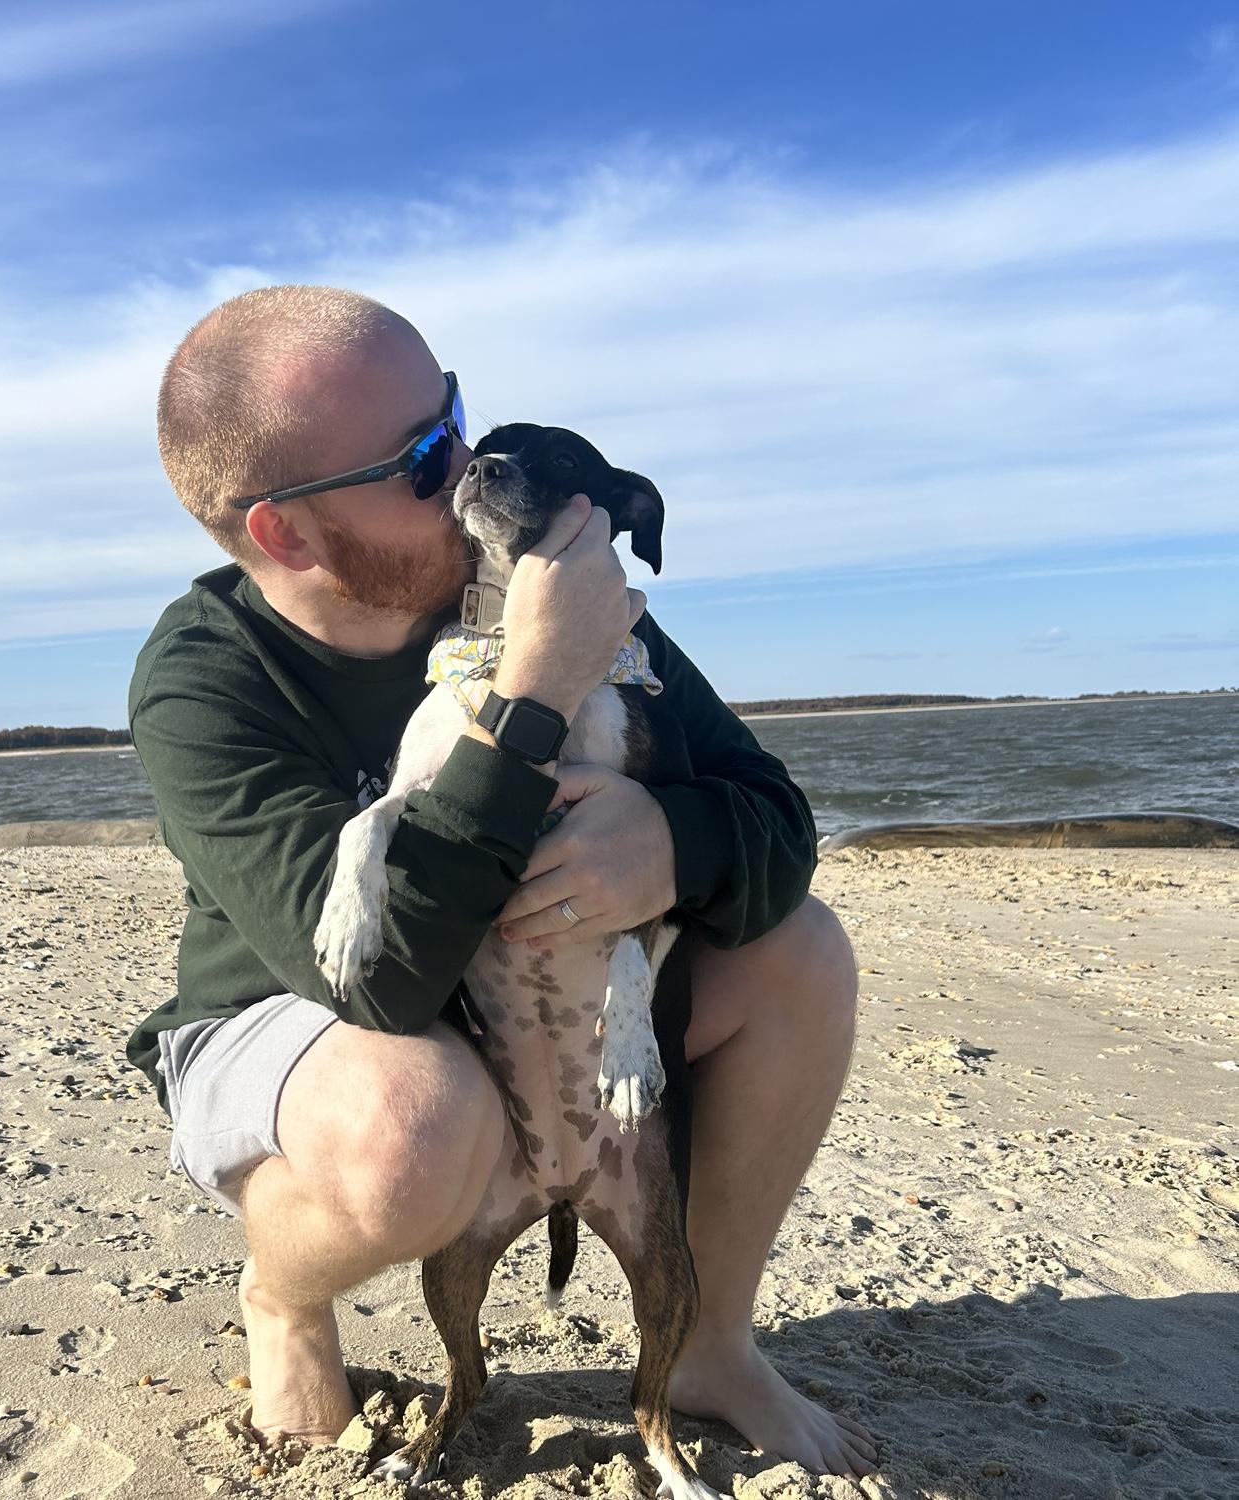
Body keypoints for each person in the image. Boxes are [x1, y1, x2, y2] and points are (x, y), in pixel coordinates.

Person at [124, 285, 878, 1478]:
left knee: (800, 949)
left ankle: (709, 1342)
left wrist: (673, 841)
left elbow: (777, 815)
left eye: (457, 414)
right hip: (298, 1020)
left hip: (547, 997)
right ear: (288, 533)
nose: (470, 463)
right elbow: (380, 977)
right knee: (411, 1125)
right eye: (424, 457)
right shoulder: (204, 679)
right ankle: (283, 1300)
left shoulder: (536, 583)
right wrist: (532, 691)